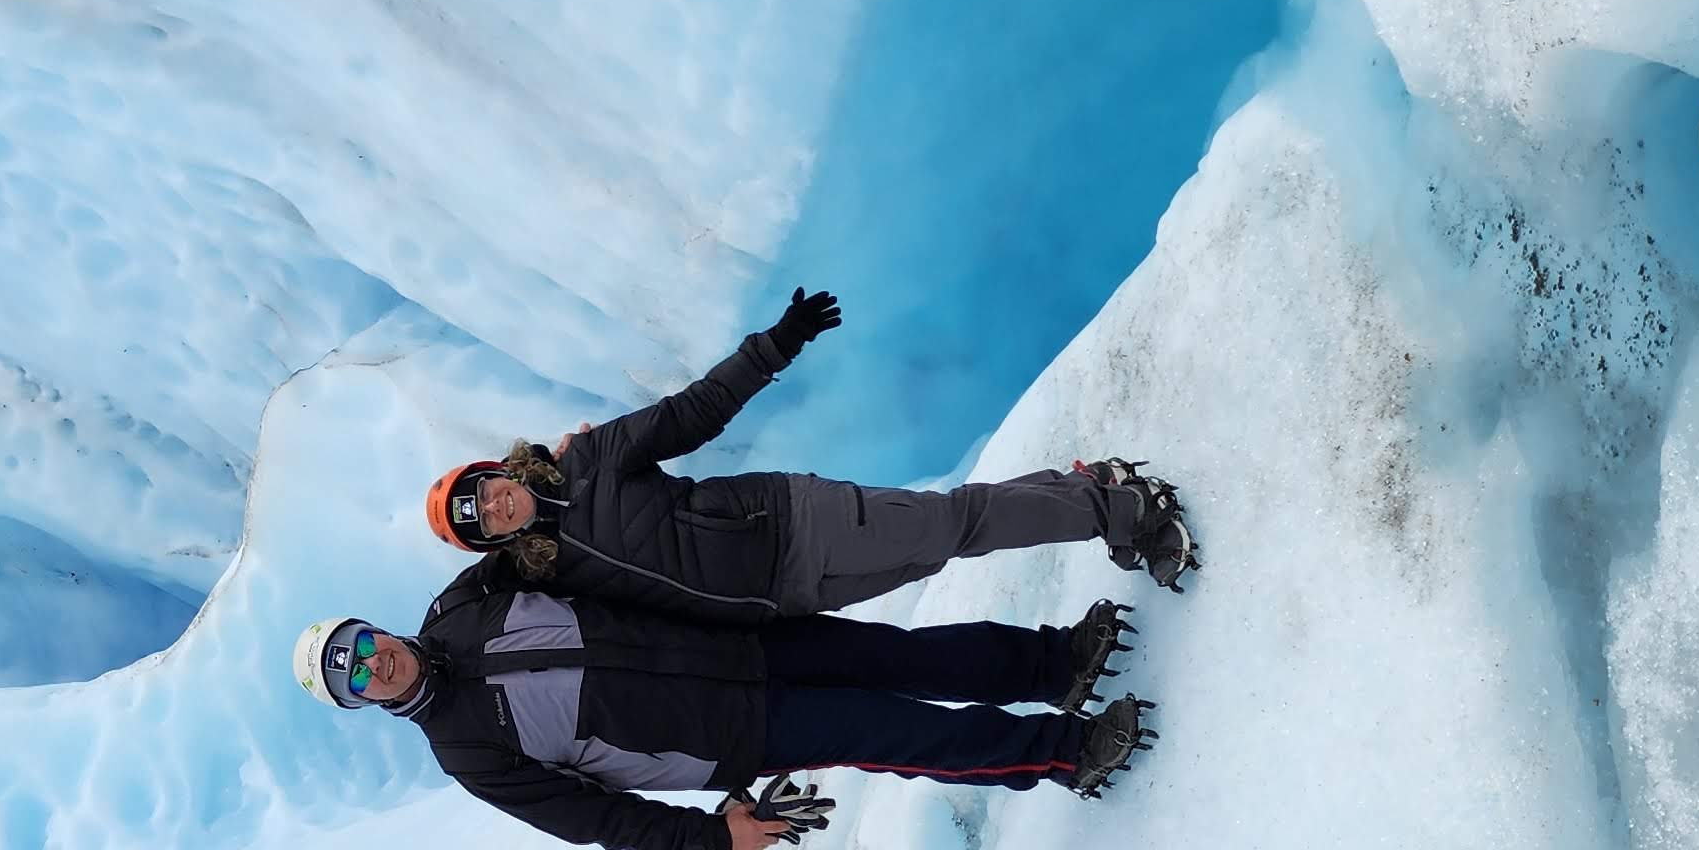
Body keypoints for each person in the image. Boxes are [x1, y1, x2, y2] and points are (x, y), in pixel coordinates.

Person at [294, 566, 1153, 850]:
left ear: (374, 627)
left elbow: (572, 541)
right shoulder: (465, 750)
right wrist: (713, 835)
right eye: (357, 676)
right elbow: (589, 816)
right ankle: (1069, 754)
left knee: (903, 652)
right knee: (899, 728)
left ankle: (1055, 662)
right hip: (725, 737)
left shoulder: (464, 604)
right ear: (362, 702)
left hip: (736, 643)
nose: (375, 663)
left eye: (362, 644)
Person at [422, 288, 1197, 616]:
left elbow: (692, 414)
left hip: (786, 519)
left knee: (949, 526)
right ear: (493, 539)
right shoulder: (550, 572)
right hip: (780, 599)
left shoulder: (588, 463)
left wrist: (773, 345)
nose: (492, 505)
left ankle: (1116, 507)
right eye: (480, 519)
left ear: (497, 472)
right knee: (938, 548)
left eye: (483, 490)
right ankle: (1084, 486)